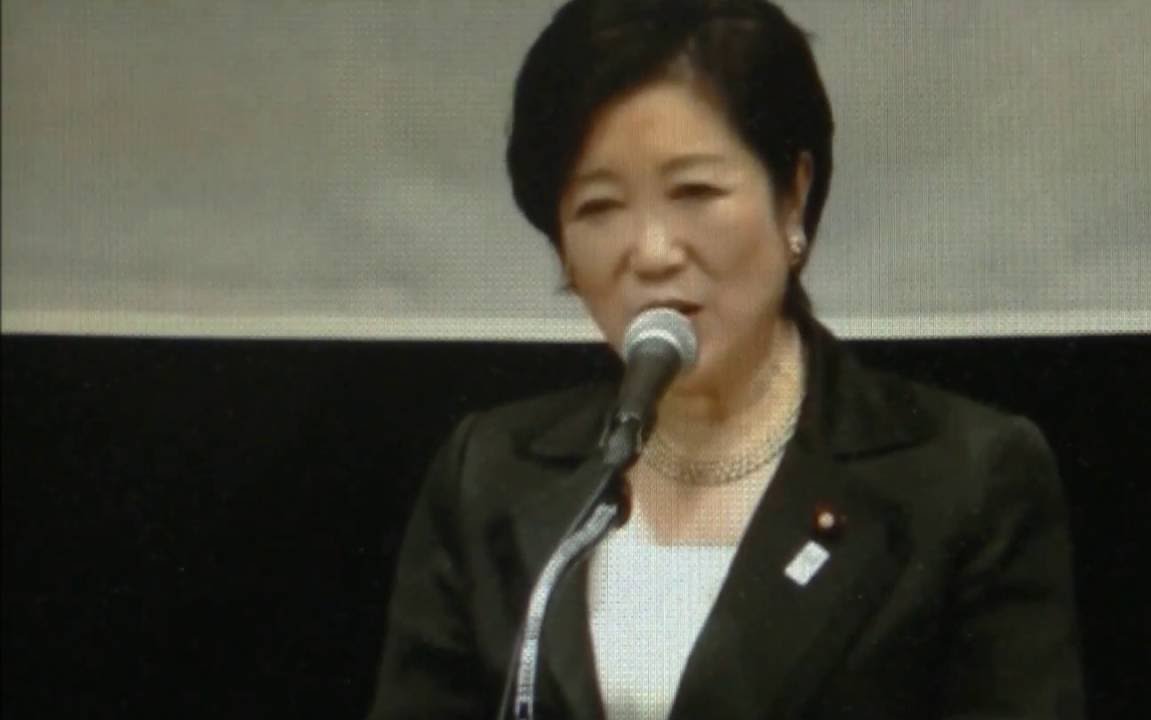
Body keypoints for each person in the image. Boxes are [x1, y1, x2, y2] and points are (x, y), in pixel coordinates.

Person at [367, 0, 1085, 717]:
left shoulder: (961, 477)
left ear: (793, 196)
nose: (653, 253)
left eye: (696, 192)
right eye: (599, 207)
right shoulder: (490, 474)